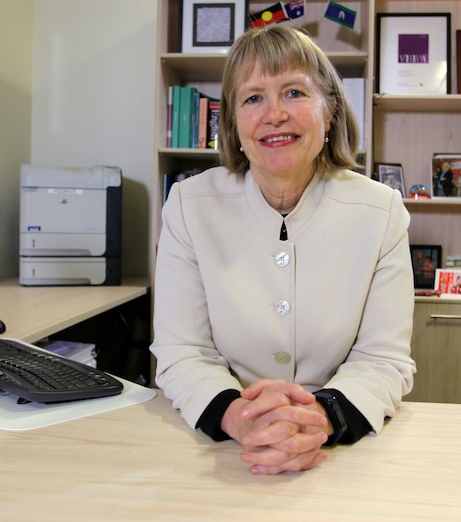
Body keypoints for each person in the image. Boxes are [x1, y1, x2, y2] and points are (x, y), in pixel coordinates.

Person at [151, 25, 416, 475]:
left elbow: (382, 359)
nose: (274, 114)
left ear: (329, 112)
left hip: (340, 448)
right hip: (224, 448)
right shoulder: (189, 206)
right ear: (233, 125)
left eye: (293, 92)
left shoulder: (381, 210)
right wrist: (241, 416)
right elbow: (183, 351)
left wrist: (319, 418)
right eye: (253, 98)